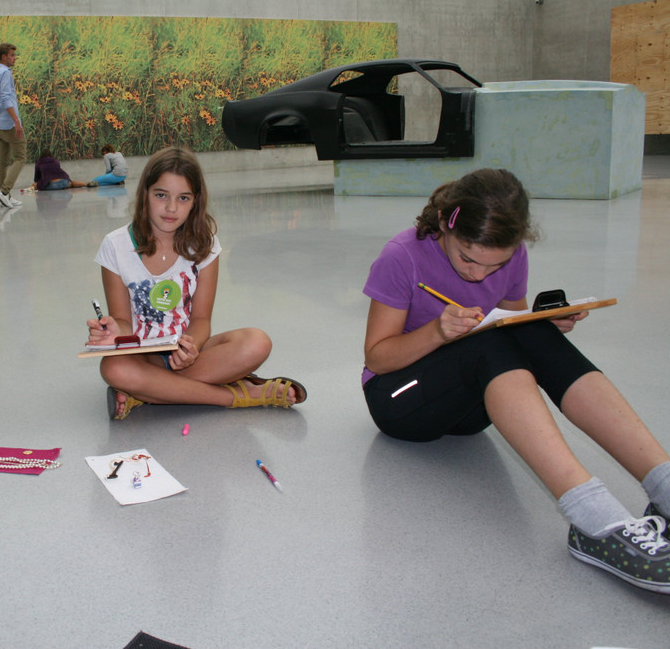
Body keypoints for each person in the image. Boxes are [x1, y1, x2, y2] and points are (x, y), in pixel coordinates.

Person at [360, 167, 670, 594]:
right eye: (467, 258)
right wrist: (437, 332)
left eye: (497, 265)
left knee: (529, 333)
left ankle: (664, 485)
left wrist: (541, 323)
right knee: (485, 343)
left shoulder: (512, 255)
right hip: (398, 401)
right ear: (447, 223)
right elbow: (377, 358)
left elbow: (508, 324)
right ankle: (594, 521)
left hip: (471, 405)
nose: (478, 275)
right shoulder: (402, 256)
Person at [86, 146, 307, 420]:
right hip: (143, 358)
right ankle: (238, 395)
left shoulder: (205, 244)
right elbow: (123, 321)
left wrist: (190, 347)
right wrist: (112, 332)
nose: (171, 208)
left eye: (183, 198)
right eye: (161, 195)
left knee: (257, 342)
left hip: (191, 356)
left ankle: (146, 392)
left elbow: (201, 319)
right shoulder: (115, 245)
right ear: (145, 194)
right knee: (113, 369)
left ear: (195, 201)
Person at [0, 42, 27, 209]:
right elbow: (6, 98)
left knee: (3, 160)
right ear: (3, 57)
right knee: (21, 157)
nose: (15, 58)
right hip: (7, 123)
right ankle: (4, 192)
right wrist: (16, 121)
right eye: (12, 55)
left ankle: (5, 197)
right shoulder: (5, 73)